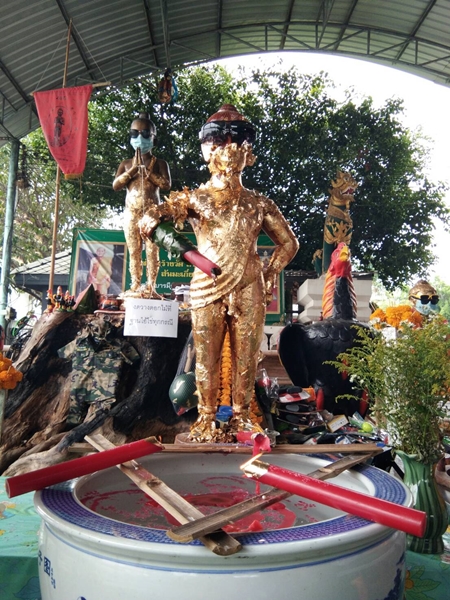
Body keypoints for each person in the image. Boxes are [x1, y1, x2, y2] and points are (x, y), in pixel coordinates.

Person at [139, 104, 299, 442]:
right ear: (207, 151)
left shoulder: (259, 203)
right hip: (206, 285)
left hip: (250, 285)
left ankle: (242, 417)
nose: (229, 147)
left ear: (248, 152)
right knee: (206, 358)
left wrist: (268, 272)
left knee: (246, 358)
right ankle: (206, 417)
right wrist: (187, 252)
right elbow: (148, 220)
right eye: (220, 141)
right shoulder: (194, 199)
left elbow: (289, 244)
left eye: (237, 140)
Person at [113, 112, 171, 297]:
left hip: (152, 214)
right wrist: (132, 171)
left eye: (145, 134)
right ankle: (135, 285)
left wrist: (147, 172)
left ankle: (151, 286)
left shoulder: (159, 163)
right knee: (134, 251)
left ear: (153, 138)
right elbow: (116, 185)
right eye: (134, 133)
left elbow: (166, 185)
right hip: (131, 213)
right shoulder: (126, 163)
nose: (140, 138)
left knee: (152, 251)